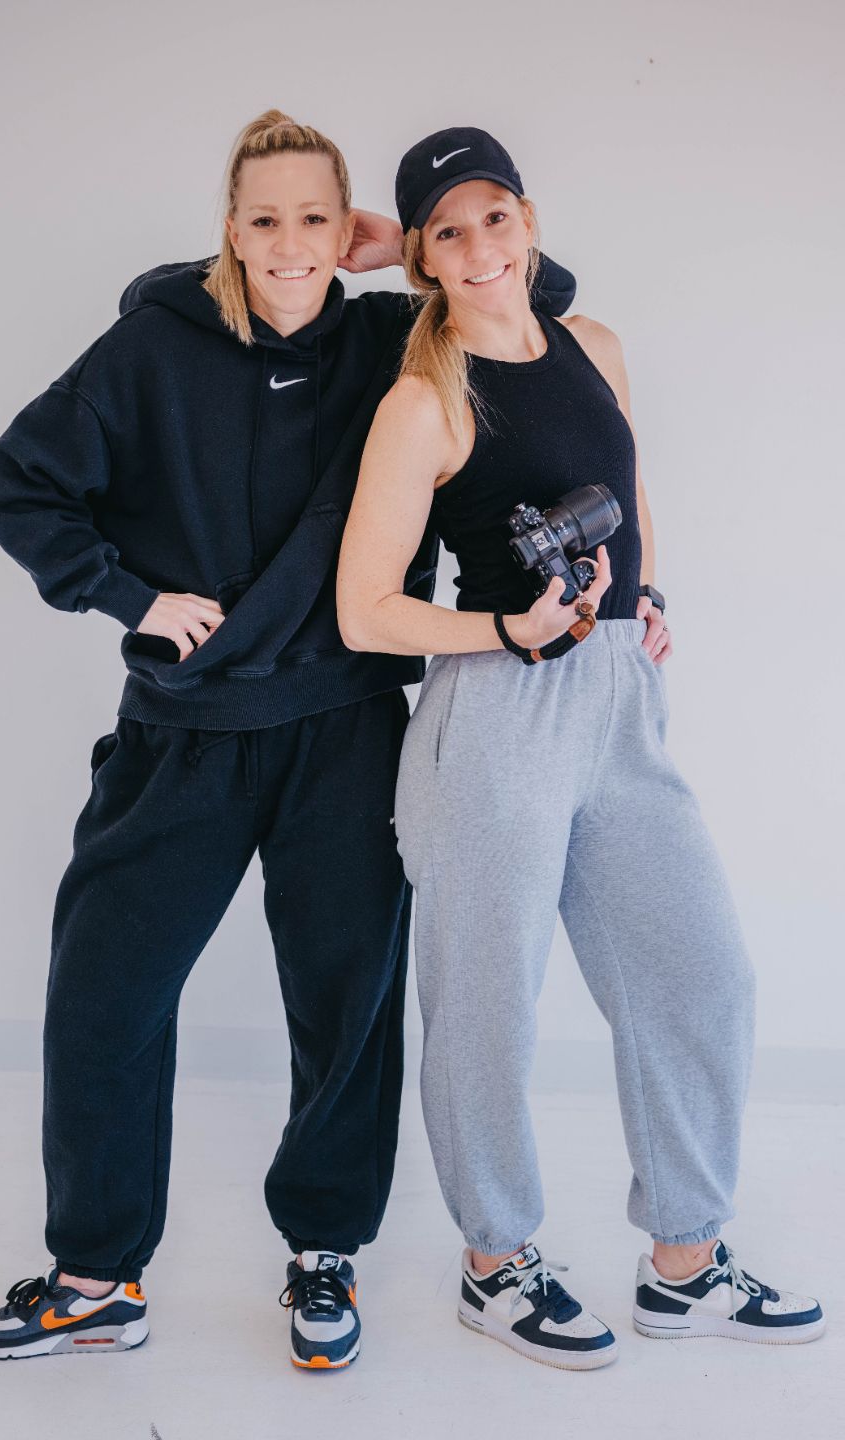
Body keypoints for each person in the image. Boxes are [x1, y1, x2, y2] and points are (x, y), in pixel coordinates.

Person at [0, 111, 577, 1369]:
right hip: (181, 734)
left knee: (345, 1010)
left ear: (347, 231)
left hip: (345, 730)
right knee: (103, 997)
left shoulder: (391, 338)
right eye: (265, 219)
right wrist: (130, 597)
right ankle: (96, 1277)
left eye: (314, 218)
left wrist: (399, 245)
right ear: (228, 232)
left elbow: (533, 295)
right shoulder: (150, 347)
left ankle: (323, 1255)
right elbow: (13, 480)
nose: (292, 245)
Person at [336, 126, 824, 1370]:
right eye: (448, 233)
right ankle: (494, 1265)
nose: (480, 249)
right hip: (496, 714)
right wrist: (509, 627)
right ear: (423, 258)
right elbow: (366, 610)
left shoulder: (593, 345)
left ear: (530, 220)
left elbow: (631, 487)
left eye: (495, 218)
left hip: (616, 701)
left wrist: (642, 592)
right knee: (486, 1007)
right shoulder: (422, 400)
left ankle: (684, 1264)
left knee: (701, 972)